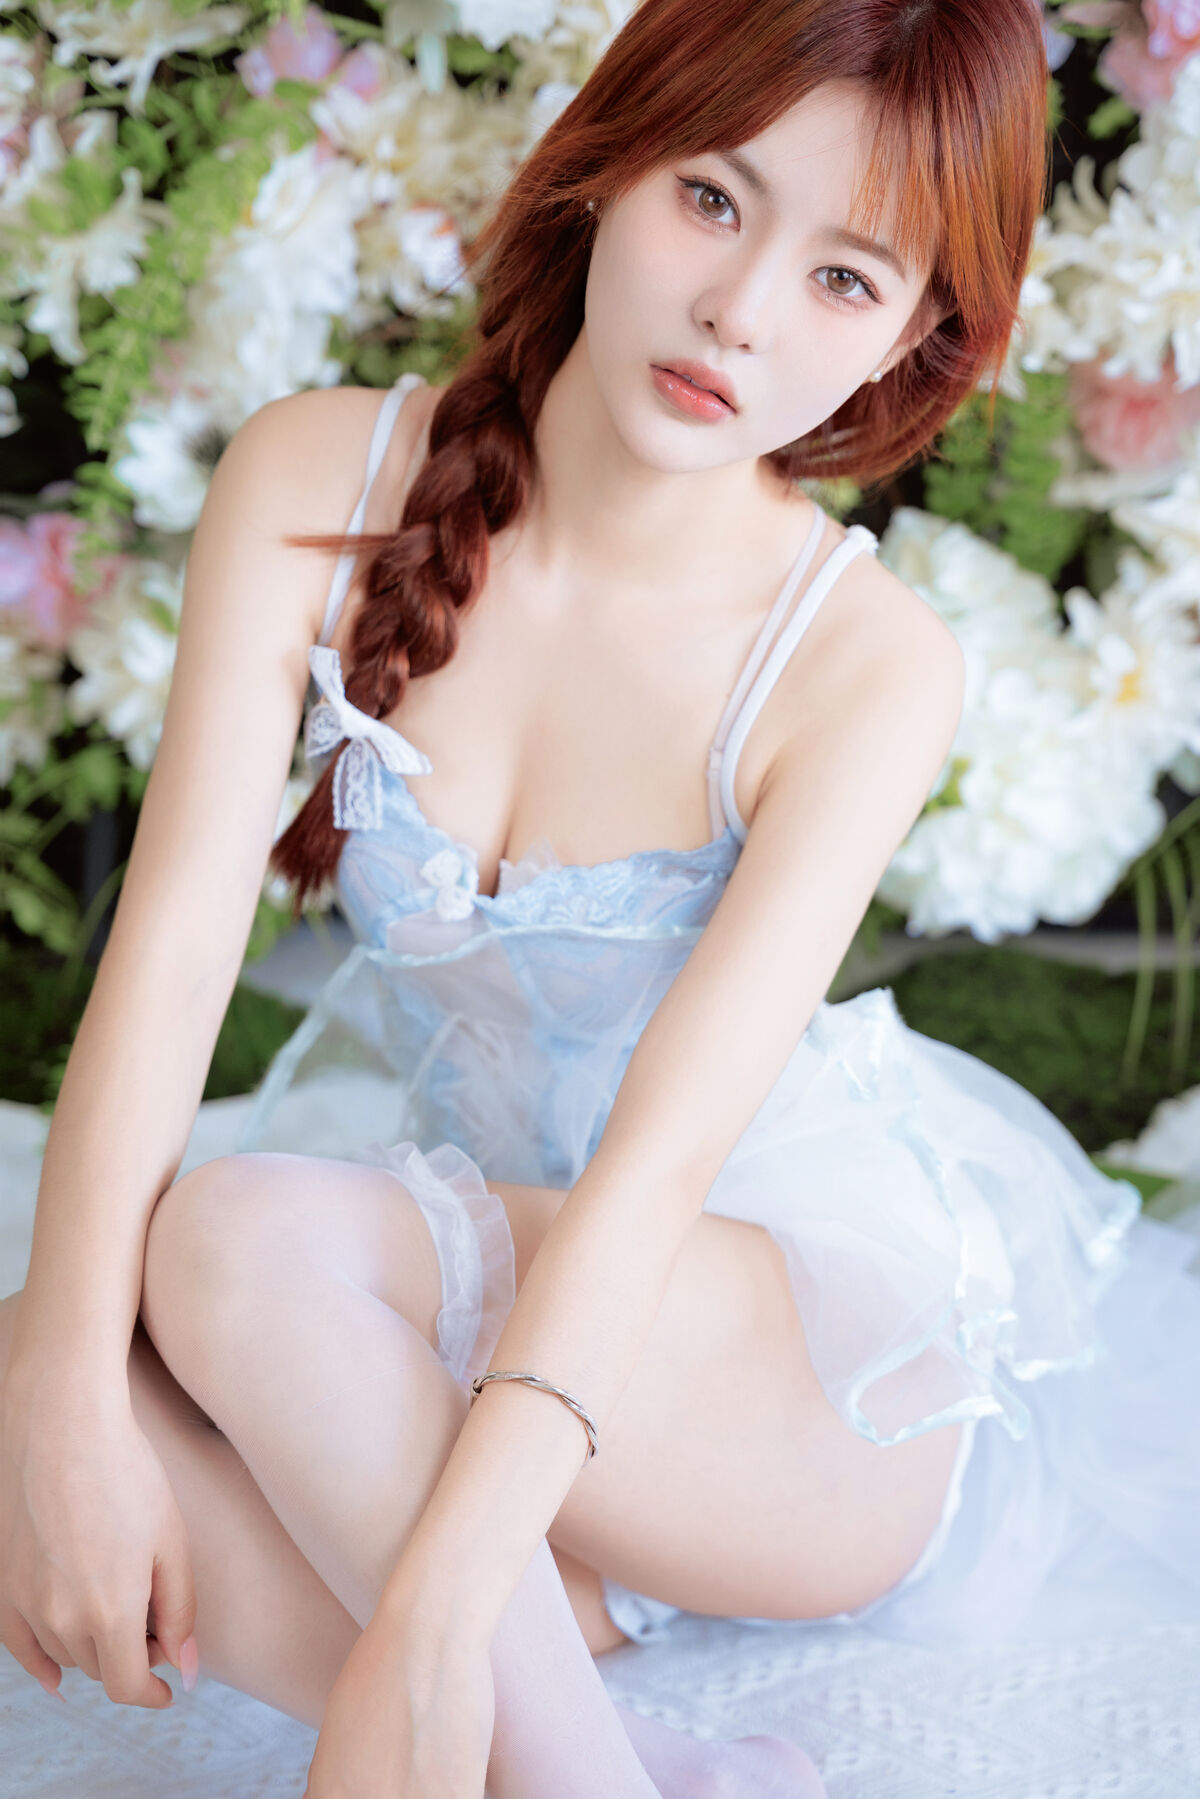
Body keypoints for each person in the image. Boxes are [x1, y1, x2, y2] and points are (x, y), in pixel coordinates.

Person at [4, 0, 1198, 1795]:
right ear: (606, 168)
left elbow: (653, 1174)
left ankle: (527, 1728)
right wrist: (59, 1405)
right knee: (33, 1411)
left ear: (914, 339)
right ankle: (601, 1755)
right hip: (461, 1298)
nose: (742, 313)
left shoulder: (863, 665)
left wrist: (434, 1613)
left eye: (846, 279)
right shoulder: (318, 476)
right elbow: (170, 959)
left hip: (781, 1367)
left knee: (232, 1242)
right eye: (713, 199)